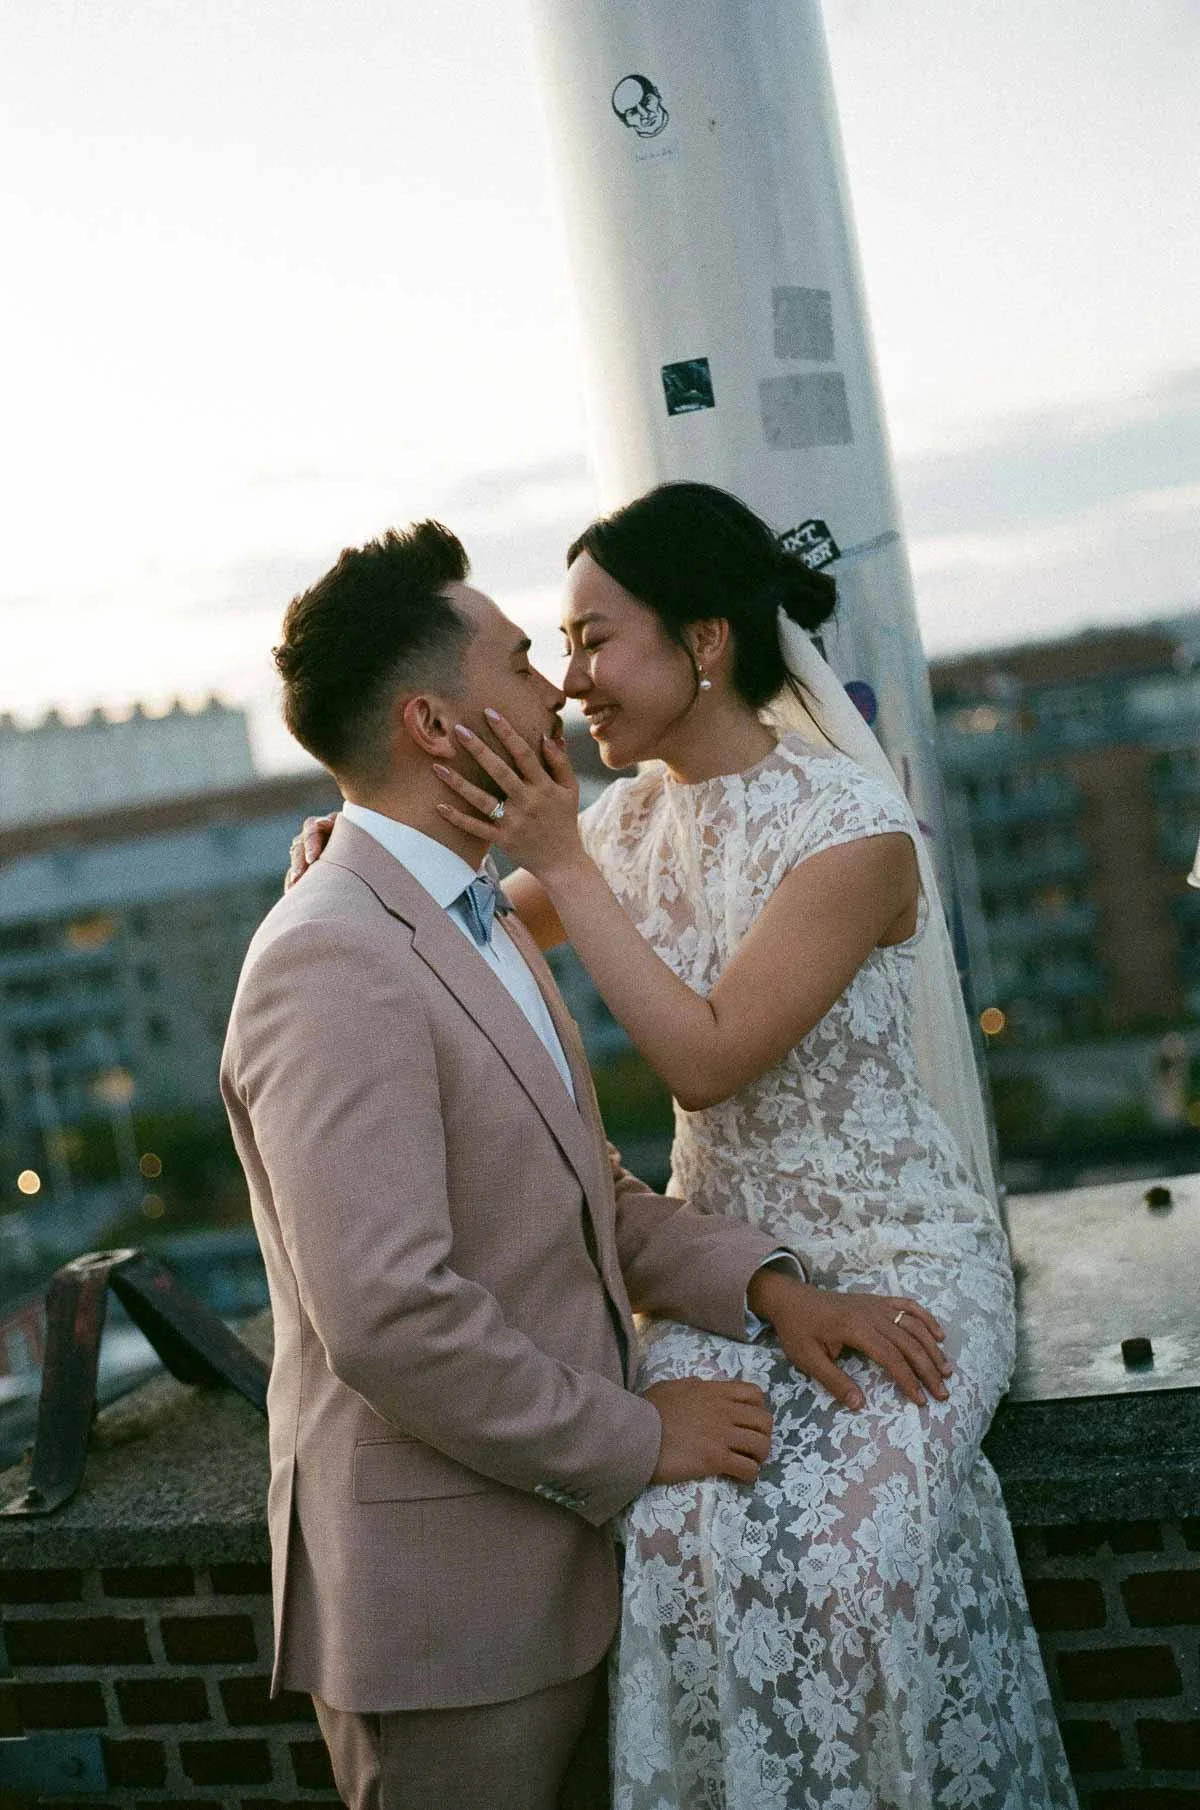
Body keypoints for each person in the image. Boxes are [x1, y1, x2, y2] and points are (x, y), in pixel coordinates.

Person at [227, 518, 951, 1810]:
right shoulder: (331, 955)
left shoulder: (474, 916)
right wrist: (635, 1437)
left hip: (569, 1570)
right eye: (518, 660)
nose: (555, 685)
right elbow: (388, 1316)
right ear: (436, 725)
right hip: (453, 1619)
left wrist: (775, 1286)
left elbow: (584, 1195)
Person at [419, 482, 1079, 1809]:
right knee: (671, 1532)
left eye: (596, 639)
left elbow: (712, 1053)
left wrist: (565, 855)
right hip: (722, 1274)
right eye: (559, 644)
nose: (571, 680)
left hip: (898, 1255)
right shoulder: (619, 827)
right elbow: (456, 931)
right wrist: (352, 860)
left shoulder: (856, 828)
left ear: (706, 640)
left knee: (863, 1542)